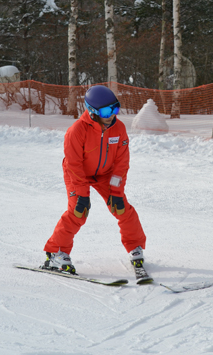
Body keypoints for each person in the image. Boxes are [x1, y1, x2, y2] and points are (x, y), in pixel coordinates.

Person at [43, 85, 147, 274]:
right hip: (78, 174)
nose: (112, 115)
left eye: (115, 108)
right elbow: (74, 165)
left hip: (106, 175)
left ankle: (135, 247)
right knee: (78, 211)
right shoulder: (76, 131)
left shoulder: (119, 128)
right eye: (107, 111)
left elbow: (121, 164)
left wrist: (116, 191)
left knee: (122, 207)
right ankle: (56, 253)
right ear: (93, 111)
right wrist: (82, 194)